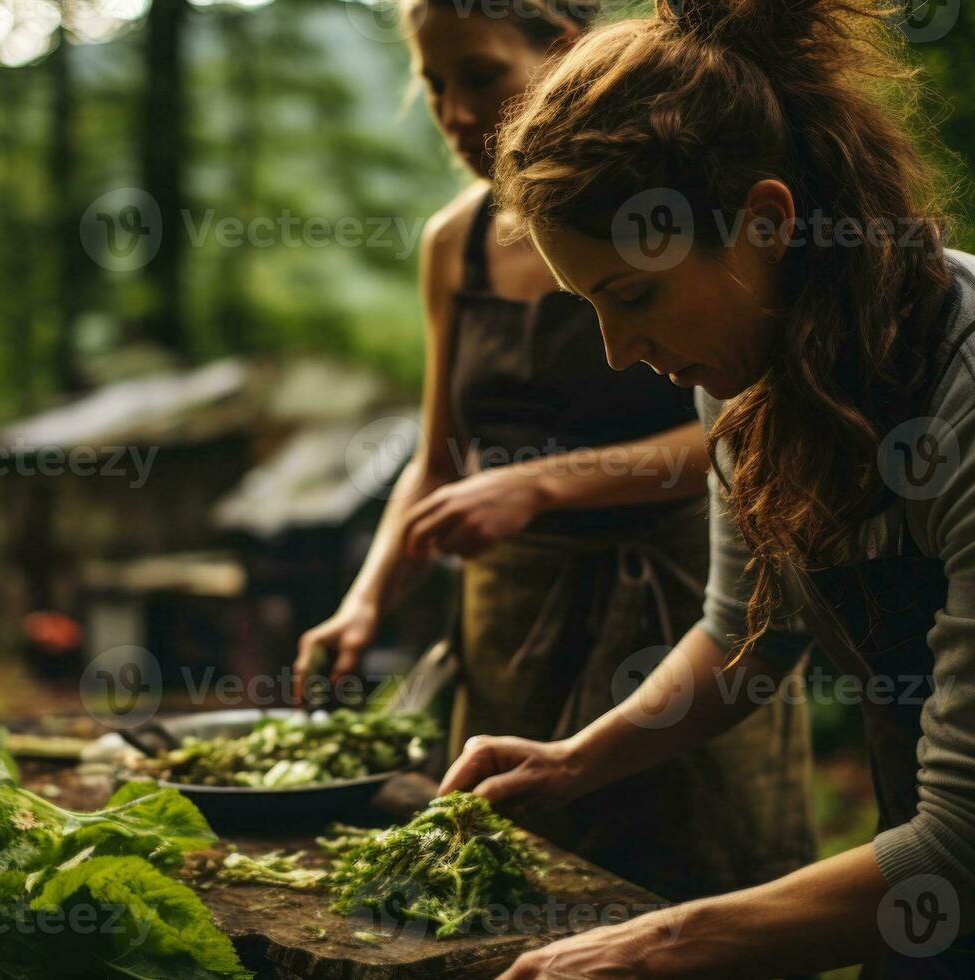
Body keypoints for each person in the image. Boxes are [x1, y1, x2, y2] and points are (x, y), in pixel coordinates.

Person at [445, 1, 975, 975]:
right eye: (591, 304)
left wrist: (661, 942)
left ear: (766, 220)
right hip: (920, 911)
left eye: (633, 296)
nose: (620, 350)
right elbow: (741, 637)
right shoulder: (751, 372)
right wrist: (574, 759)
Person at [295, 0, 814, 903]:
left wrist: (546, 485)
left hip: (681, 608)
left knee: (687, 882)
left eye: (482, 76)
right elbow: (438, 455)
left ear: (563, 53)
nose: (455, 111)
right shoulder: (451, 246)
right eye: (432, 86)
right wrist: (365, 600)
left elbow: (754, 426)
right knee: (512, 878)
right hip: (513, 624)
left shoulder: (672, 225)